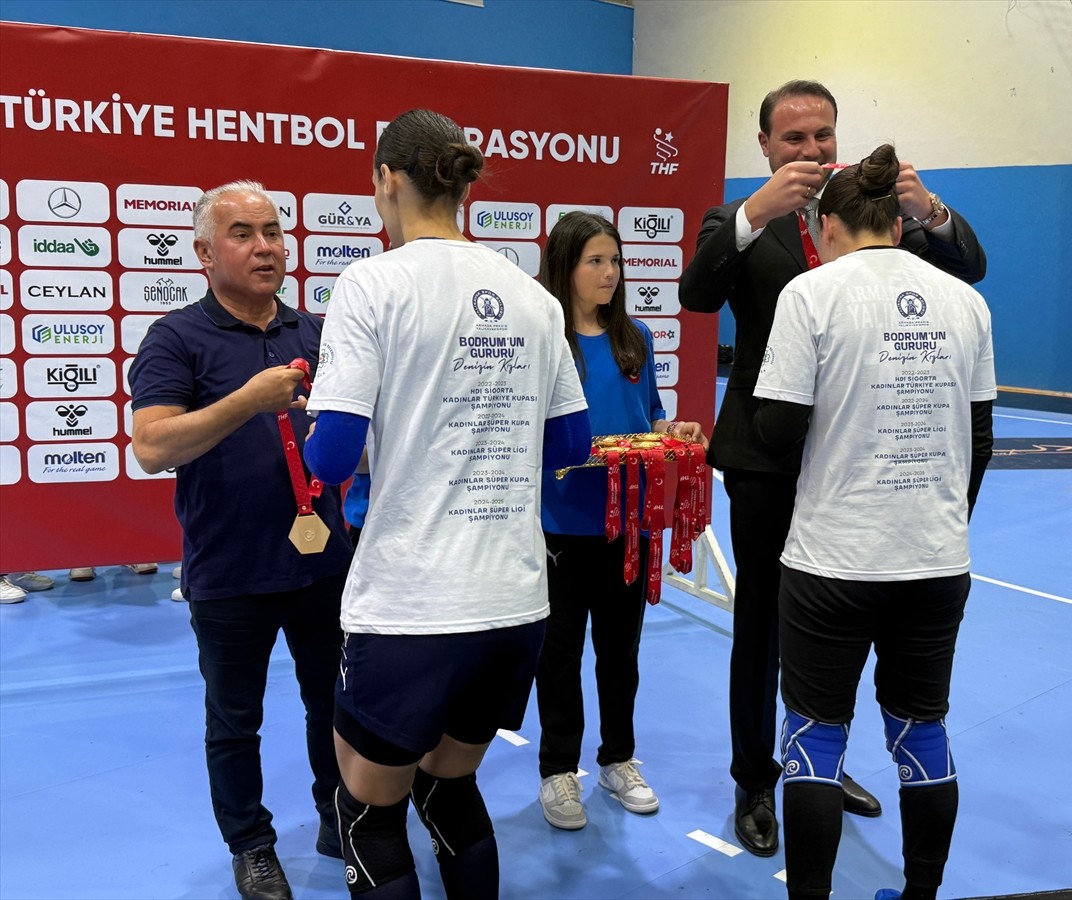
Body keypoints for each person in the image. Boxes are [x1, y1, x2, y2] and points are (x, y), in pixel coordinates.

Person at [679, 79, 987, 857]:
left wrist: (931, 212)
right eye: (794, 140)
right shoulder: (742, 222)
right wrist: (755, 214)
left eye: (822, 135)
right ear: (765, 149)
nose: (811, 151)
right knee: (762, 627)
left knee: (849, 630)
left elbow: (971, 267)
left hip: (862, 464)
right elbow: (695, 291)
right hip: (767, 460)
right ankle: (756, 779)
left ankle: (821, 761)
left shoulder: (879, 217)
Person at [303, 108, 590, 900]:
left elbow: (329, 458)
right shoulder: (532, 298)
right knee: (448, 786)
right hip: (514, 599)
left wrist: (310, 422)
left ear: (388, 181)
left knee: (367, 811)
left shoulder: (372, 282)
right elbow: (570, 448)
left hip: (411, 602)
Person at [753, 143, 995, 900]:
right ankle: (919, 895)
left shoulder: (812, 294)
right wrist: (942, 520)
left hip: (833, 560)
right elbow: (980, 439)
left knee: (814, 739)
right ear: (897, 224)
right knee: (921, 731)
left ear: (829, 225)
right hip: (933, 559)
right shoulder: (965, 300)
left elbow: (776, 430)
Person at [129, 180, 352, 900]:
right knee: (235, 720)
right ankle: (252, 846)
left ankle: (335, 815)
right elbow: (152, 446)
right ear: (203, 252)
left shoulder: (317, 334)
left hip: (324, 558)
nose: (265, 247)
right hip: (228, 567)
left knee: (335, 703)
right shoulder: (176, 339)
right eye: (243, 234)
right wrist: (245, 401)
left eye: (273, 232)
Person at [533, 212, 707, 830]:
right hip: (557, 525)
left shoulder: (635, 338)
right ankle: (557, 771)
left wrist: (672, 431)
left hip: (626, 524)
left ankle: (618, 759)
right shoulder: (543, 340)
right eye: (594, 262)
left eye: (615, 262)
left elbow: (650, 414)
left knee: (620, 652)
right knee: (557, 655)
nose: (608, 274)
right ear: (565, 268)